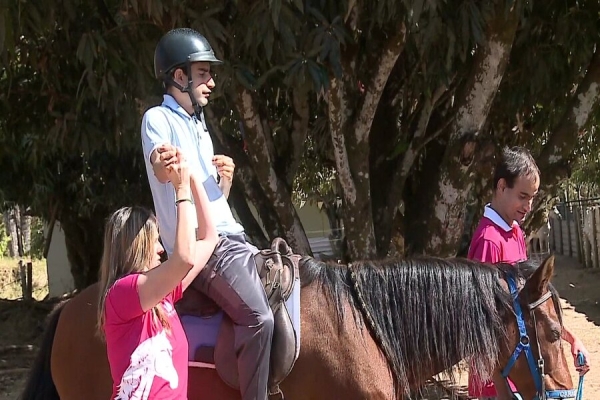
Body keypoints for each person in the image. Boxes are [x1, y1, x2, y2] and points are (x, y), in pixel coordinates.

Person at [140, 27, 274, 400]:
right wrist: (163, 162)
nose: (212, 82)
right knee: (259, 319)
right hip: (206, 248)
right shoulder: (157, 119)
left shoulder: (200, 127)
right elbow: (161, 164)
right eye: (203, 73)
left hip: (233, 239)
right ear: (178, 76)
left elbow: (207, 201)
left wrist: (224, 187)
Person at [467, 146, 590, 400]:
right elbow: (481, 324)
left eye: (532, 198)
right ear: (502, 186)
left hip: (520, 380)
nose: (529, 205)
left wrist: (570, 338)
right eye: (523, 196)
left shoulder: (515, 234)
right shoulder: (489, 241)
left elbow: (529, 308)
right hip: (498, 387)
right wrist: (501, 389)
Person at [97, 155, 219, 399]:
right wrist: (180, 189)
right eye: (155, 243)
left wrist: (191, 175)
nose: (161, 249)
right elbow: (184, 259)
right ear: (137, 248)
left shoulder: (161, 297)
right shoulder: (122, 293)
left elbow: (209, 238)